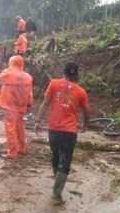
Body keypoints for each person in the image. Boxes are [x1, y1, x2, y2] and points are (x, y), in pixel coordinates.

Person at [34, 61, 90, 204]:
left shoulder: (54, 84)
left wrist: (38, 121)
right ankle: (57, 194)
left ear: (64, 72)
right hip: (70, 132)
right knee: (64, 163)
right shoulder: (81, 91)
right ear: (76, 74)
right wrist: (85, 125)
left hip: (53, 130)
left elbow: (45, 103)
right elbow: (86, 112)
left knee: (56, 157)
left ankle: (56, 186)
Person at [0, 55, 33, 159]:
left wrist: (9, 69)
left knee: (11, 129)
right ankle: (21, 148)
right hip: (21, 106)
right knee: (20, 127)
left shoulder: (8, 74)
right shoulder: (28, 77)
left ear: (11, 63)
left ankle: (12, 153)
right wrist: (28, 105)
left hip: (10, 106)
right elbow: (30, 93)